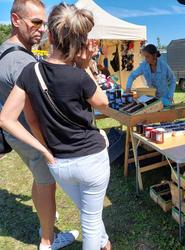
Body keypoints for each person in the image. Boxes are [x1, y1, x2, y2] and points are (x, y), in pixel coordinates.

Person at [0, 3, 111, 250]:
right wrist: (86, 67)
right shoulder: (79, 75)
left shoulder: (30, 71)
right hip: (91, 159)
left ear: (51, 35)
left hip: (60, 163)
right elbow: (104, 104)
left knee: (87, 210)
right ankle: (99, 241)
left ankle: (104, 241)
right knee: (91, 220)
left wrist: (44, 149)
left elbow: (11, 119)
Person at [0, 0, 78, 249]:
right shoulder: (21, 62)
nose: (42, 28)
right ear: (15, 20)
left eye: (43, 23)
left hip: (17, 133)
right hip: (29, 134)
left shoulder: (8, 49)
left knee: (39, 177)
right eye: (35, 22)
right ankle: (48, 240)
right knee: (47, 182)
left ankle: (45, 218)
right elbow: (41, 110)